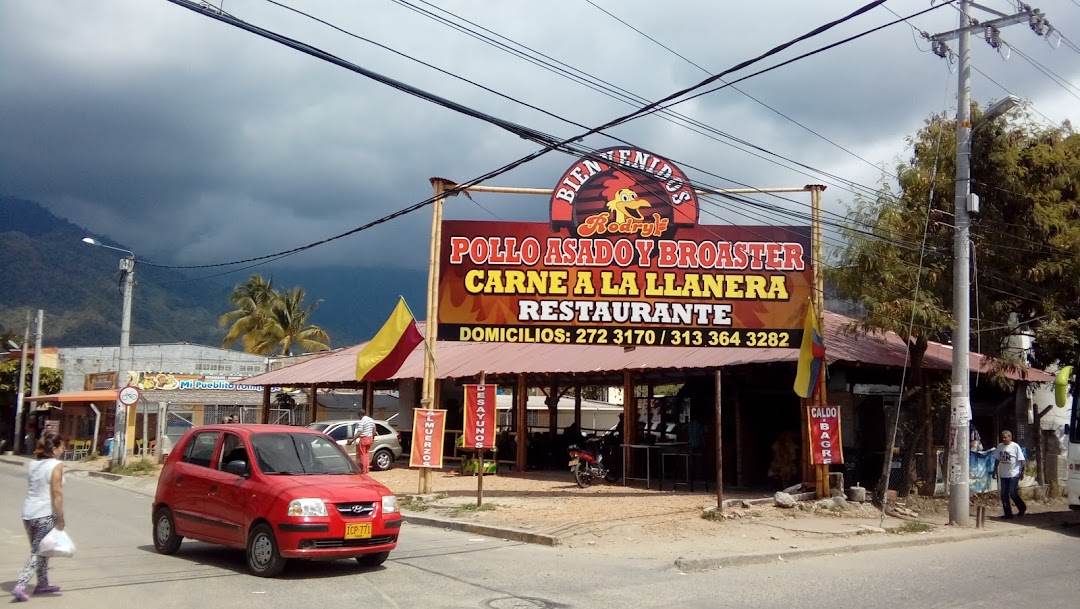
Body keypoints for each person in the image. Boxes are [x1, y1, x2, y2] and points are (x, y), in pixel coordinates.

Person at [12, 432, 66, 601]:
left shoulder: (33, 465)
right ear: (55, 449)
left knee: (42, 551)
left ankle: (42, 584)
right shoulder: (56, 465)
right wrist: (60, 517)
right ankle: (21, 585)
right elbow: (56, 493)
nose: (63, 450)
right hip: (44, 514)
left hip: (28, 513)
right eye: (62, 447)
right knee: (38, 551)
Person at [995, 429, 1027, 519]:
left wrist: (1022, 472)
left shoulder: (1015, 446)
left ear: (1010, 437)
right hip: (1003, 474)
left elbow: (1022, 461)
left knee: (1012, 492)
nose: (1004, 439)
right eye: (1002, 438)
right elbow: (997, 459)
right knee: (1004, 494)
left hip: (1014, 473)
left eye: (1005, 437)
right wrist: (995, 470)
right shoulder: (1000, 446)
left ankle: (1022, 507)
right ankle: (1008, 514)